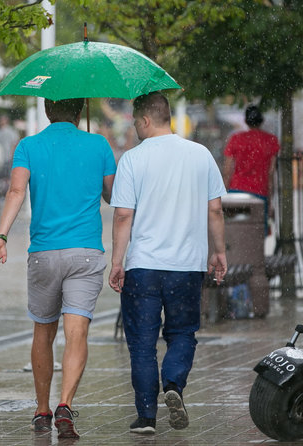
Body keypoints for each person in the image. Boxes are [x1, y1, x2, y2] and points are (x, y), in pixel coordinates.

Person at [0, 98, 116, 439]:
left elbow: (16, 190)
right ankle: (65, 404)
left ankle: (42, 409)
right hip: (85, 253)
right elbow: (111, 195)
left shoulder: (29, 145)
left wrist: (1, 236)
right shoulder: (98, 144)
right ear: (80, 111)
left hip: (43, 253)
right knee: (77, 333)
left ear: (47, 111)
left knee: (43, 332)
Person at [108, 92, 228, 435]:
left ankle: (146, 417)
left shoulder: (132, 159)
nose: (133, 125)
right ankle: (173, 383)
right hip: (187, 265)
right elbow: (215, 209)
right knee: (183, 333)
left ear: (146, 120)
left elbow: (122, 216)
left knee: (142, 344)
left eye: (134, 119)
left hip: (143, 266)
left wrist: (117, 262)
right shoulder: (200, 154)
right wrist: (218, 252)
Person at [222, 104, 280, 234]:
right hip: (259, 192)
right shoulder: (271, 140)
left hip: (236, 192)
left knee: (236, 231)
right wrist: (270, 201)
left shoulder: (236, 139)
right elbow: (271, 173)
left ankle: (238, 254)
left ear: (246, 121)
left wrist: (225, 194)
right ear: (261, 120)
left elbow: (227, 170)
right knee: (256, 233)